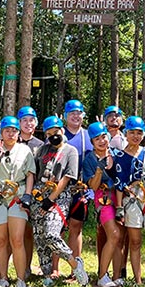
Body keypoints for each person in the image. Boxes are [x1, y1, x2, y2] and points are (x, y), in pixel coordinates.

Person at [29, 116, 89, 287]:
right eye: (48, 134)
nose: (52, 136)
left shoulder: (70, 151)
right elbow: (35, 172)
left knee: (51, 233)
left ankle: (75, 264)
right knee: (40, 238)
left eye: (55, 132)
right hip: (39, 195)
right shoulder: (41, 150)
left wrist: (50, 200)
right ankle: (46, 274)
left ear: (62, 130)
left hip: (59, 196)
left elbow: (67, 178)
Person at [0, 116, 35, 287]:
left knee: (17, 239)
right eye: (7, 130)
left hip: (18, 194)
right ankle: (2, 277)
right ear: (1, 133)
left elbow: (30, 174)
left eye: (14, 130)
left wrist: (27, 195)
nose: (11, 133)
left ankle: (21, 279)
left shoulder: (25, 150)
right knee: (1, 239)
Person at [113, 116, 145, 287]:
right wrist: (119, 207)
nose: (135, 136)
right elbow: (119, 183)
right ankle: (138, 280)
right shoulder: (120, 156)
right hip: (131, 198)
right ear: (126, 134)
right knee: (135, 241)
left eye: (139, 133)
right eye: (132, 132)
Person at [82, 122, 123, 287]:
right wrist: (99, 169)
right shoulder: (89, 159)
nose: (101, 141)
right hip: (102, 197)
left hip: (119, 197)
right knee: (113, 234)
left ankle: (117, 274)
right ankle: (102, 275)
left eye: (104, 137)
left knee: (120, 236)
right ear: (92, 142)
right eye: (97, 139)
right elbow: (92, 185)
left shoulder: (116, 154)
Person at [59, 99, 93, 277]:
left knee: (76, 226)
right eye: (72, 113)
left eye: (79, 113)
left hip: (80, 188)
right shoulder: (60, 134)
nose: (75, 116)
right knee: (57, 227)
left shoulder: (88, 136)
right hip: (60, 187)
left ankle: (75, 267)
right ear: (65, 116)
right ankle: (54, 268)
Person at [17, 106, 43, 279]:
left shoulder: (40, 145)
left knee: (28, 232)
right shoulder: (10, 140)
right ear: (19, 123)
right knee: (13, 232)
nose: (28, 123)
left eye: (31, 120)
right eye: (24, 120)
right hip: (13, 191)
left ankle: (26, 267)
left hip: (34, 192)